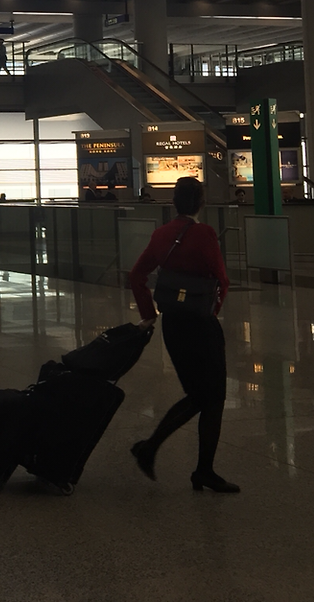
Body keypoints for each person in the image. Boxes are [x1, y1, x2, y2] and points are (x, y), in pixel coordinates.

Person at [127, 177, 238, 494]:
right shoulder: (205, 233)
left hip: (173, 325)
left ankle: (151, 449)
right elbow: (222, 278)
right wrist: (212, 311)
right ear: (201, 203)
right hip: (201, 324)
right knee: (213, 398)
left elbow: (137, 275)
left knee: (198, 395)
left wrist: (149, 313)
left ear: (174, 202)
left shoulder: (162, 234)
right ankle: (201, 469)